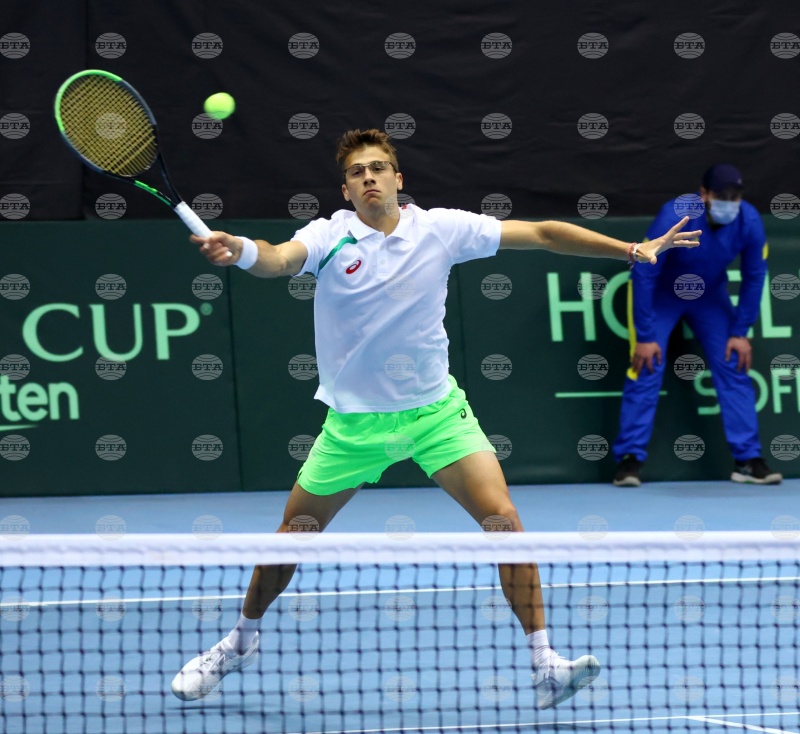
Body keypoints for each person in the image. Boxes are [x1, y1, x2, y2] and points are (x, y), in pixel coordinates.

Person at [170, 129, 700, 710]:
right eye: (357, 172)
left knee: (504, 521)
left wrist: (631, 249)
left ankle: (546, 663)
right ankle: (239, 642)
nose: (369, 178)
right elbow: (276, 259)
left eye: (378, 167)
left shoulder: (441, 229)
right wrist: (241, 250)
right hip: (355, 425)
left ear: (399, 179)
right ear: (345, 190)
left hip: (436, 414)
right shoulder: (326, 236)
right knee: (294, 535)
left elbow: (544, 233)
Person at [612, 164, 782, 487]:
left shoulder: (749, 220)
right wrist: (645, 335)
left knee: (734, 361)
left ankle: (748, 460)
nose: (729, 202)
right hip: (663, 294)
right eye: (722, 195)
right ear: (704, 194)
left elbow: (755, 276)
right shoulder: (675, 213)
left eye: (735, 196)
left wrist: (740, 332)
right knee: (646, 365)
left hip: (709, 297)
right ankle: (630, 459)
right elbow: (644, 271)